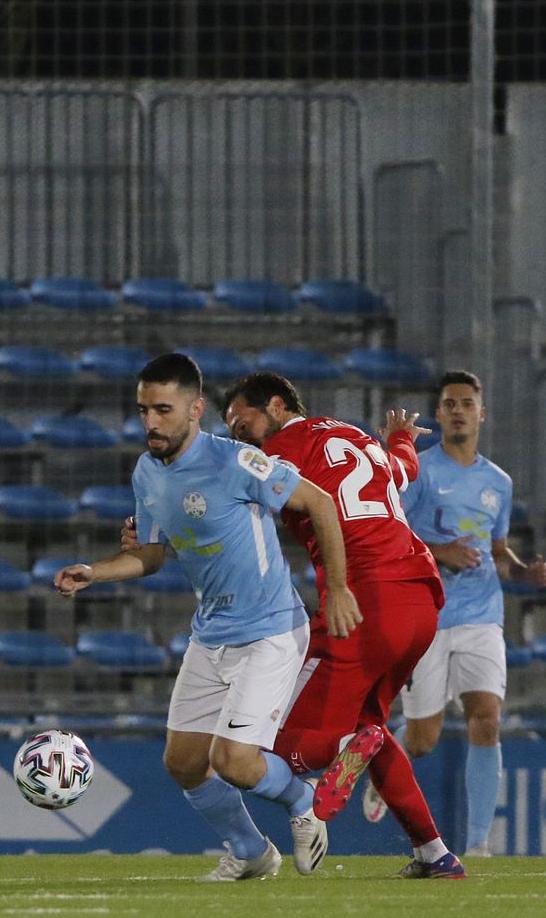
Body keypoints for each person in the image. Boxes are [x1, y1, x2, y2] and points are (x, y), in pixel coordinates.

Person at [55, 352, 356, 881]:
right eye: (144, 409)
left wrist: (338, 589)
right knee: (183, 762)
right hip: (211, 634)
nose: (150, 422)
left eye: (163, 410)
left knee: (234, 762)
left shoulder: (237, 461)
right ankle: (251, 852)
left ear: (195, 409)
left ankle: (302, 796)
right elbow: (149, 555)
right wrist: (93, 572)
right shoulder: (146, 472)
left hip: (269, 630)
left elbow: (322, 504)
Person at [216, 371, 465, 879]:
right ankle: (434, 852)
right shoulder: (354, 437)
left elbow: (241, 503)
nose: (239, 436)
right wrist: (397, 438)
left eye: (244, 423)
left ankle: (341, 749)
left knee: (269, 748)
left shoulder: (281, 452)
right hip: (420, 599)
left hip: (362, 601)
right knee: (369, 728)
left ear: (279, 406)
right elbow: (402, 470)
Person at [395, 369, 546, 857]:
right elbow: (390, 533)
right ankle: (385, 765)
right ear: (440, 414)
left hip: (482, 614)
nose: (459, 410)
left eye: (467, 403)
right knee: (423, 739)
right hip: (427, 615)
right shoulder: (418, 471)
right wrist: (439, 552)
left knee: (486, 718)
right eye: (449, 403)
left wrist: (524, 572)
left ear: (481, 414)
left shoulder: (498, 482)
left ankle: (480, 844)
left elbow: (498, 550)